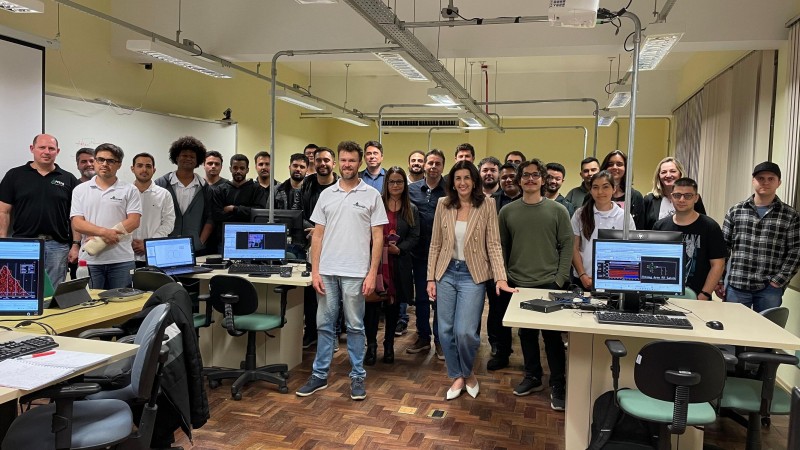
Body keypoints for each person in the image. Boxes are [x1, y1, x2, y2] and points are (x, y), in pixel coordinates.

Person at [296, 141, 388, 401]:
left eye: (352, 160)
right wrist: (315, 271)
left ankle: (358, 376)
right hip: (326, 271)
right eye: (344, 160)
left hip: (356, 273)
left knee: (355, 326)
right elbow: (318, 236)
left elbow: (378, 238)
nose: (348, 164)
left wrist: (372, 273)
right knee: (324, 325)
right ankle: (319, 374)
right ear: (338, 162)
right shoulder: (327, 195)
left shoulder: (371, 195)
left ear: (359, 163)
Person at [428, 161, 514, 400]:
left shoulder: (486, 205)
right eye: (458, 178)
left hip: (472, 274)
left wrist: (500, 278)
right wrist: (430, 278)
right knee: (445, 331)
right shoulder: (442, 204)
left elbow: (494, 244)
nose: (462, 182)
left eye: (467, 178)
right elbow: (435, 244)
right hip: (445, 272)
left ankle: (468, 372)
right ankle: (458, 375)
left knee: (465, 331)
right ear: (452, 182)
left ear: (474, 181)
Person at [497, 159, 572, 410]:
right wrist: (505, 276)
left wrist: (560, 279)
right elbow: (502, 247)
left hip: (550, 283)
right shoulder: (507, 212)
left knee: (552, 338)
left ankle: (558, 383)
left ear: (542, 179)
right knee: (526, 334)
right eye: (525, 175)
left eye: (535, 175)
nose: (530, 179)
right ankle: (533, 377)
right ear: (519, 180)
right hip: (519, 284)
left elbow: (567, 246)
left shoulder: (558, 211)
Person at [0, 134, 80, 288]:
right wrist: (3, 241)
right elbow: (3, 211)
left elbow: (75, 217)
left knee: (54, 293)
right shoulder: (14, 175)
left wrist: (75, 244)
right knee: (22, 288)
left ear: (58, 151)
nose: (47, 152)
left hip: (57, 246)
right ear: (32, 149)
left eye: (51, 148)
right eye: (42, 147)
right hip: (23, 243)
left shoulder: (68, 179)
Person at [718, 162, 800, 312]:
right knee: (734, 330)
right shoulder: (736, 211)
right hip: (737, 285)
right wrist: (720, 280)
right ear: (753, 180)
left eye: (771, 179)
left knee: (765, 333)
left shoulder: (790, 215)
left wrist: (779, 280)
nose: (765, 182)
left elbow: (796, 251)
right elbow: (723, 248)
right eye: (761, 178)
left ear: (779, 182)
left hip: (769, 287)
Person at [364, 167, 419, 365]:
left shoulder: (411, 208)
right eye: (392, 182)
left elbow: (415, 236)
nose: (395, 185)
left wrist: (400, 249)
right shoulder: (375, 205)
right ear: (386, 184)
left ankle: (388, 346)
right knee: (371, 307)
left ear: (404, 185)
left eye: (399, 182)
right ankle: (371, 346)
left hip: (398, 264)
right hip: (375, 264)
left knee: (393, 307)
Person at [70, 143, 141, 289]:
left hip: (122, 260)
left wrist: (99, 239)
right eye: (100, 159)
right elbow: (77, 223)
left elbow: (133, 221)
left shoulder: (130, 190)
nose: (104, 164)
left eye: (110, 161)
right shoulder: (80, 190)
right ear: (95, 161)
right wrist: (103, 233)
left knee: (121, 306)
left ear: (119, 164)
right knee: (92, 307)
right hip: (90, 261)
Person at [653, 177, 724, 299]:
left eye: (688, 196)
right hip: (663, 296)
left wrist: (705, 294)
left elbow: (718, 265)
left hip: (698, 297)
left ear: (696, 198)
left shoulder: (710, 227)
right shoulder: (660, 226)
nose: (681, 200)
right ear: (671, 197)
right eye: (677, 195)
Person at [408, 149, 447, 358]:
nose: (433, 167)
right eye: (430, 163)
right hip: (419, 253)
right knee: (421, 298)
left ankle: (440, 340)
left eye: (437, 163)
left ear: (443, 167)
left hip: (444, 255)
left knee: (441, 299)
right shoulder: (411, 190)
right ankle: (423, 337)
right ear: (424, 165)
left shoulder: (450, 190)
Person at [300, 147, 338, 349]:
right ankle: (312, 333)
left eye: (326, 160)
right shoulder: (307, 183)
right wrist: (313, 229)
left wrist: (322, 230)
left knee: (332, 294)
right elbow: (300, 212)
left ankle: (331, 335)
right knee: (311, 292)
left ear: (334, 163)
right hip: (310, 243)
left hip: (335, 246)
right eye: (318, 160)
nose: (322, 164)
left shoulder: (340, 186)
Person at [570, 171, 635, 290]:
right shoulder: (580, 214)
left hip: (614, 281)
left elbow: (630, 251)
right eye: (595, 187)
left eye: (605, 187)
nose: (600, 192)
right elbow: (574, 248)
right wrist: (583, 275)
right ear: (590, 190)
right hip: (583, 280)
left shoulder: (624, 216)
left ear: (614, 189)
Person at [155, 136, 214, 255]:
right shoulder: (161, 184)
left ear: (198, 160)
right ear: (176, 157)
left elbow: (210, 218)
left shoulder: (205, 188)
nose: (188, 159)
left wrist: (200, 241)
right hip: (165, 246)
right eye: (184, 155)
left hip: (195, 249)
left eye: (192, 156)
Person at [130, 153, 175, 267]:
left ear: (154, 170)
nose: (144, 169)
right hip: (127, 254)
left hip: (154, 254)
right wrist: (128, 242)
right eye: (139, 166)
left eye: (148, 166)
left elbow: (168, 223)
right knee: (127, 285)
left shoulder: (164, 194)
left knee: (153, 284)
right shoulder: (125, 192)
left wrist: (148, 244)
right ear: (132, 169)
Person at [212, 154, 262, 253]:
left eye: (242, 168)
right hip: (226, 240)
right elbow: (217, 215)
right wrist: (245, 213)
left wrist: (234, 209)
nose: (238, 171)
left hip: (251, 239)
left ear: (247, 170)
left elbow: (258, 214)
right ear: (230, 169)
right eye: (235, 168)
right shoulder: (221, 190)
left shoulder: (257, 189)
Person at [642, 157, 706, 229]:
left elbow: (703, 225)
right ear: (658, 176)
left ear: (680, 174)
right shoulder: (649, 199)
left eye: (673, 171)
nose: (668, 175)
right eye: (664, 172)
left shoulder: (692, 197)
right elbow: (643, 229)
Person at [600, 150, 645, 230]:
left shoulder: (636, 197)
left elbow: (639, 229)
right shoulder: (594, 195)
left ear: (626, 168)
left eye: (619, 164)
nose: (614, 167)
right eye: (610, 164)